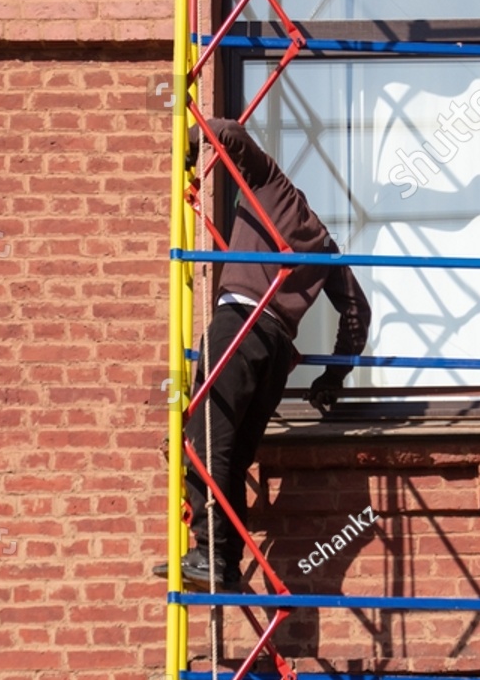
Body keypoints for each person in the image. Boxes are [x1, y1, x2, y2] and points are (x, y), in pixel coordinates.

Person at [157, 118, 371, 591]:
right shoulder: (324, 246)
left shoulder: (271, 183)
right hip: (276, 352)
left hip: (240, 324)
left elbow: (227, 132)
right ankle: (221, 562)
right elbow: (358, 311)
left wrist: (189, 149)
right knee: (228, 453)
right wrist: (332, 378)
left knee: (203, 442)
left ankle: (211, 557)